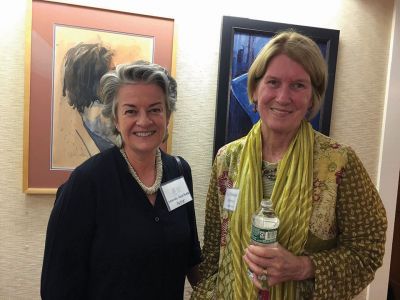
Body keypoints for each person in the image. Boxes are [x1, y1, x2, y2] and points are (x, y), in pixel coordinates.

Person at [191, 30, 387, 300]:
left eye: (298, 85)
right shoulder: (227, 159)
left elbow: (367, 251)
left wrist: (302, 267)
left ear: (312, 96)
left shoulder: (339, 163)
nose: (283, 97)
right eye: (273, 82)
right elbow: (214, 251)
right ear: (255, 89)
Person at [41, 61, 202, 299]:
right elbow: (57, 287)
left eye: (155, 109)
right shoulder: (86, 182)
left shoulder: (179, 171)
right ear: (116, 119)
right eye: (131, 111)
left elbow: (191, 257)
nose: (144, 121)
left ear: (168, 115)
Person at [52, 42, 117, 169]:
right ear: (95, 79)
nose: (117, 77)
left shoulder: (87, 111)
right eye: (112, 71)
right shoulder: (102, 116)